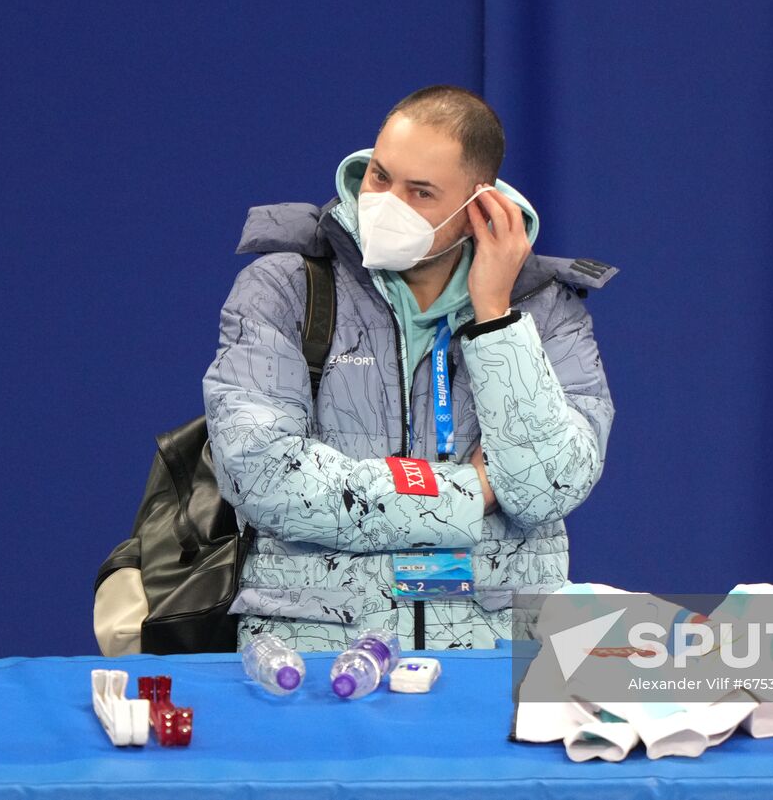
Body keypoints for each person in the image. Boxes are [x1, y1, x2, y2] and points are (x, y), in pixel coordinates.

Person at [202, 85, 618, 652]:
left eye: (420, 192)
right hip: (318, 649)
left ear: (478, 207)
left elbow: (548, 488)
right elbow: (265, 476)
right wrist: (472, 492)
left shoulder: (546, 309)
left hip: (497, 652)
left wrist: (495, 318)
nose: (385, 203)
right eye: (379, 177)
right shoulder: (284, 286)